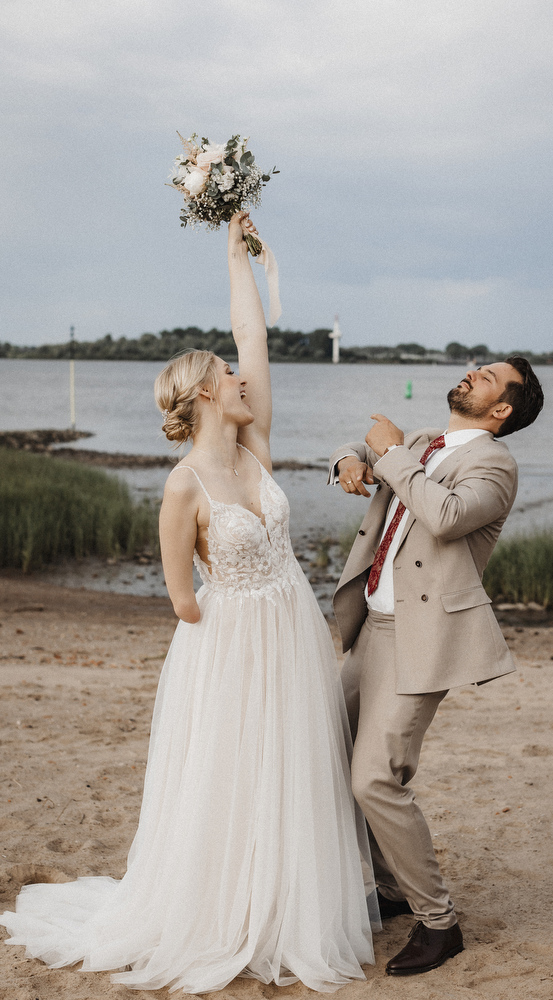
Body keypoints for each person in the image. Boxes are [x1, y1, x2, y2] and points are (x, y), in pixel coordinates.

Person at [1, 212, 376, 993]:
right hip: (231, 641)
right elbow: (182, 598)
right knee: (235, 772)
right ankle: (226, 911)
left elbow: (254, 340)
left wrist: (235, 254)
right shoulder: (183, 487)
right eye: (231, 380)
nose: (244, 382)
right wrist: (230, 642)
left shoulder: (255, 447)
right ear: (206, 392)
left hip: (292, 629)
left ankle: (281, 905)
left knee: (294, 769)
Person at [329, 358, 543, 977]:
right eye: (477, 368)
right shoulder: (427, 442)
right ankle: (394, 889)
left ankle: (439, 924)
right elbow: (365, 447)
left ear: (502, 409)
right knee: (325, 748)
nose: (473, 373)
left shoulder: (494, 466)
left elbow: (445, 515)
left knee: (374, 780)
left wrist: (393, 454)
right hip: (369, 627)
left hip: (420, 642)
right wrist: (350, 460)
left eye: (488, 377)